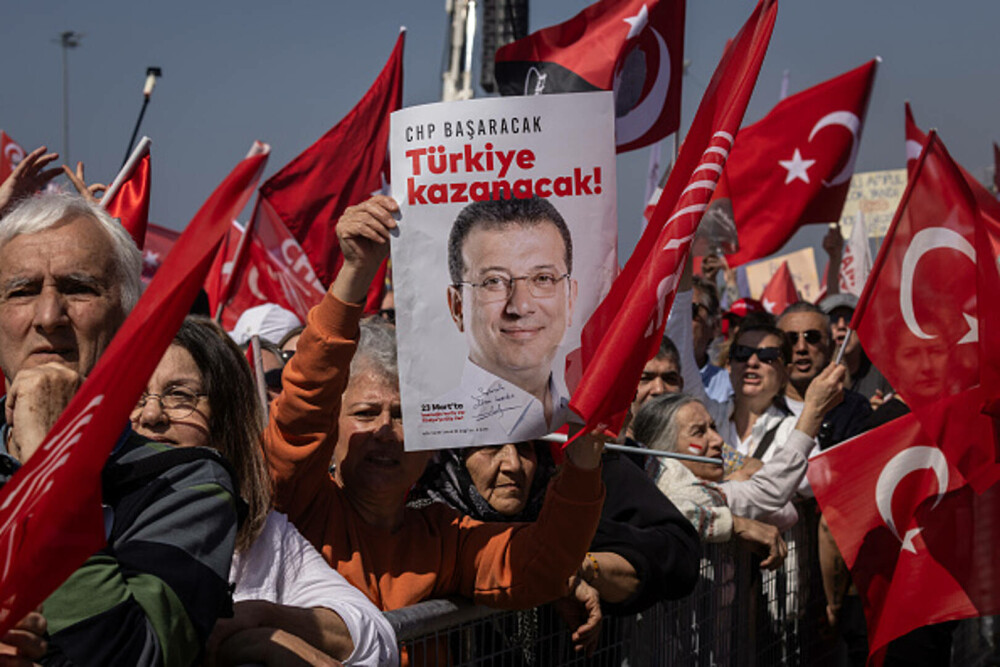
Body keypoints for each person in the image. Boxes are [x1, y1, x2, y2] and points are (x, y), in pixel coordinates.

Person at [264, 195, 607, 621]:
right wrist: (356, 271)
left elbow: (540, 566)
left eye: (405, 415)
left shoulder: (442, 537)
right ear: (331, 428)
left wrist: (584, 466)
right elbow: (302, 409)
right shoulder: (299, 508)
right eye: (367, 413)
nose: (385, 431)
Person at [0, 190, 239, 666]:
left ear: (128, 317)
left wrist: (52, 464)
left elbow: (131, 657)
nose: (49, 317)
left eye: (79, 288)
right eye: (22, 291)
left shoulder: (184, 481)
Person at [132, 317, 397, 666]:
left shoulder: (262, 534)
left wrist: (264, 620)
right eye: (134, 396)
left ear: (224, 420)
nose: (151, 414)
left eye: (179, 396)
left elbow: (377, 640)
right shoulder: (87, 518)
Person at [412, 441, 701, 615]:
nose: (513, 464)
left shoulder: (556, 513)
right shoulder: (420, 524)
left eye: (525, 447)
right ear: (454, 458)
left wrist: (574, 567)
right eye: (491, 446)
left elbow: (677, 555)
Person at [437, 196, 578, 442]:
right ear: (457, 306)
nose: (520, 306)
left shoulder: (590, 426)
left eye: (543, 278)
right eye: (494, 282)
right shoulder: (425, 442)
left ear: (570, 298)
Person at [634, 393, 815, 530]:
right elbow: (771, 491)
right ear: (663, 449)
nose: (718, 440)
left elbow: (787, 513)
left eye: (713, 427)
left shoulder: (721, 486)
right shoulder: (681, 496)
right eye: (698, 432)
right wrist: (815, 409)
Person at [777, 302, 871, 450]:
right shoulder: (763, 408)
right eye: (791, 339)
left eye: (812, 337)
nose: (801, 347)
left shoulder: (854, 409)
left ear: (831, 347)